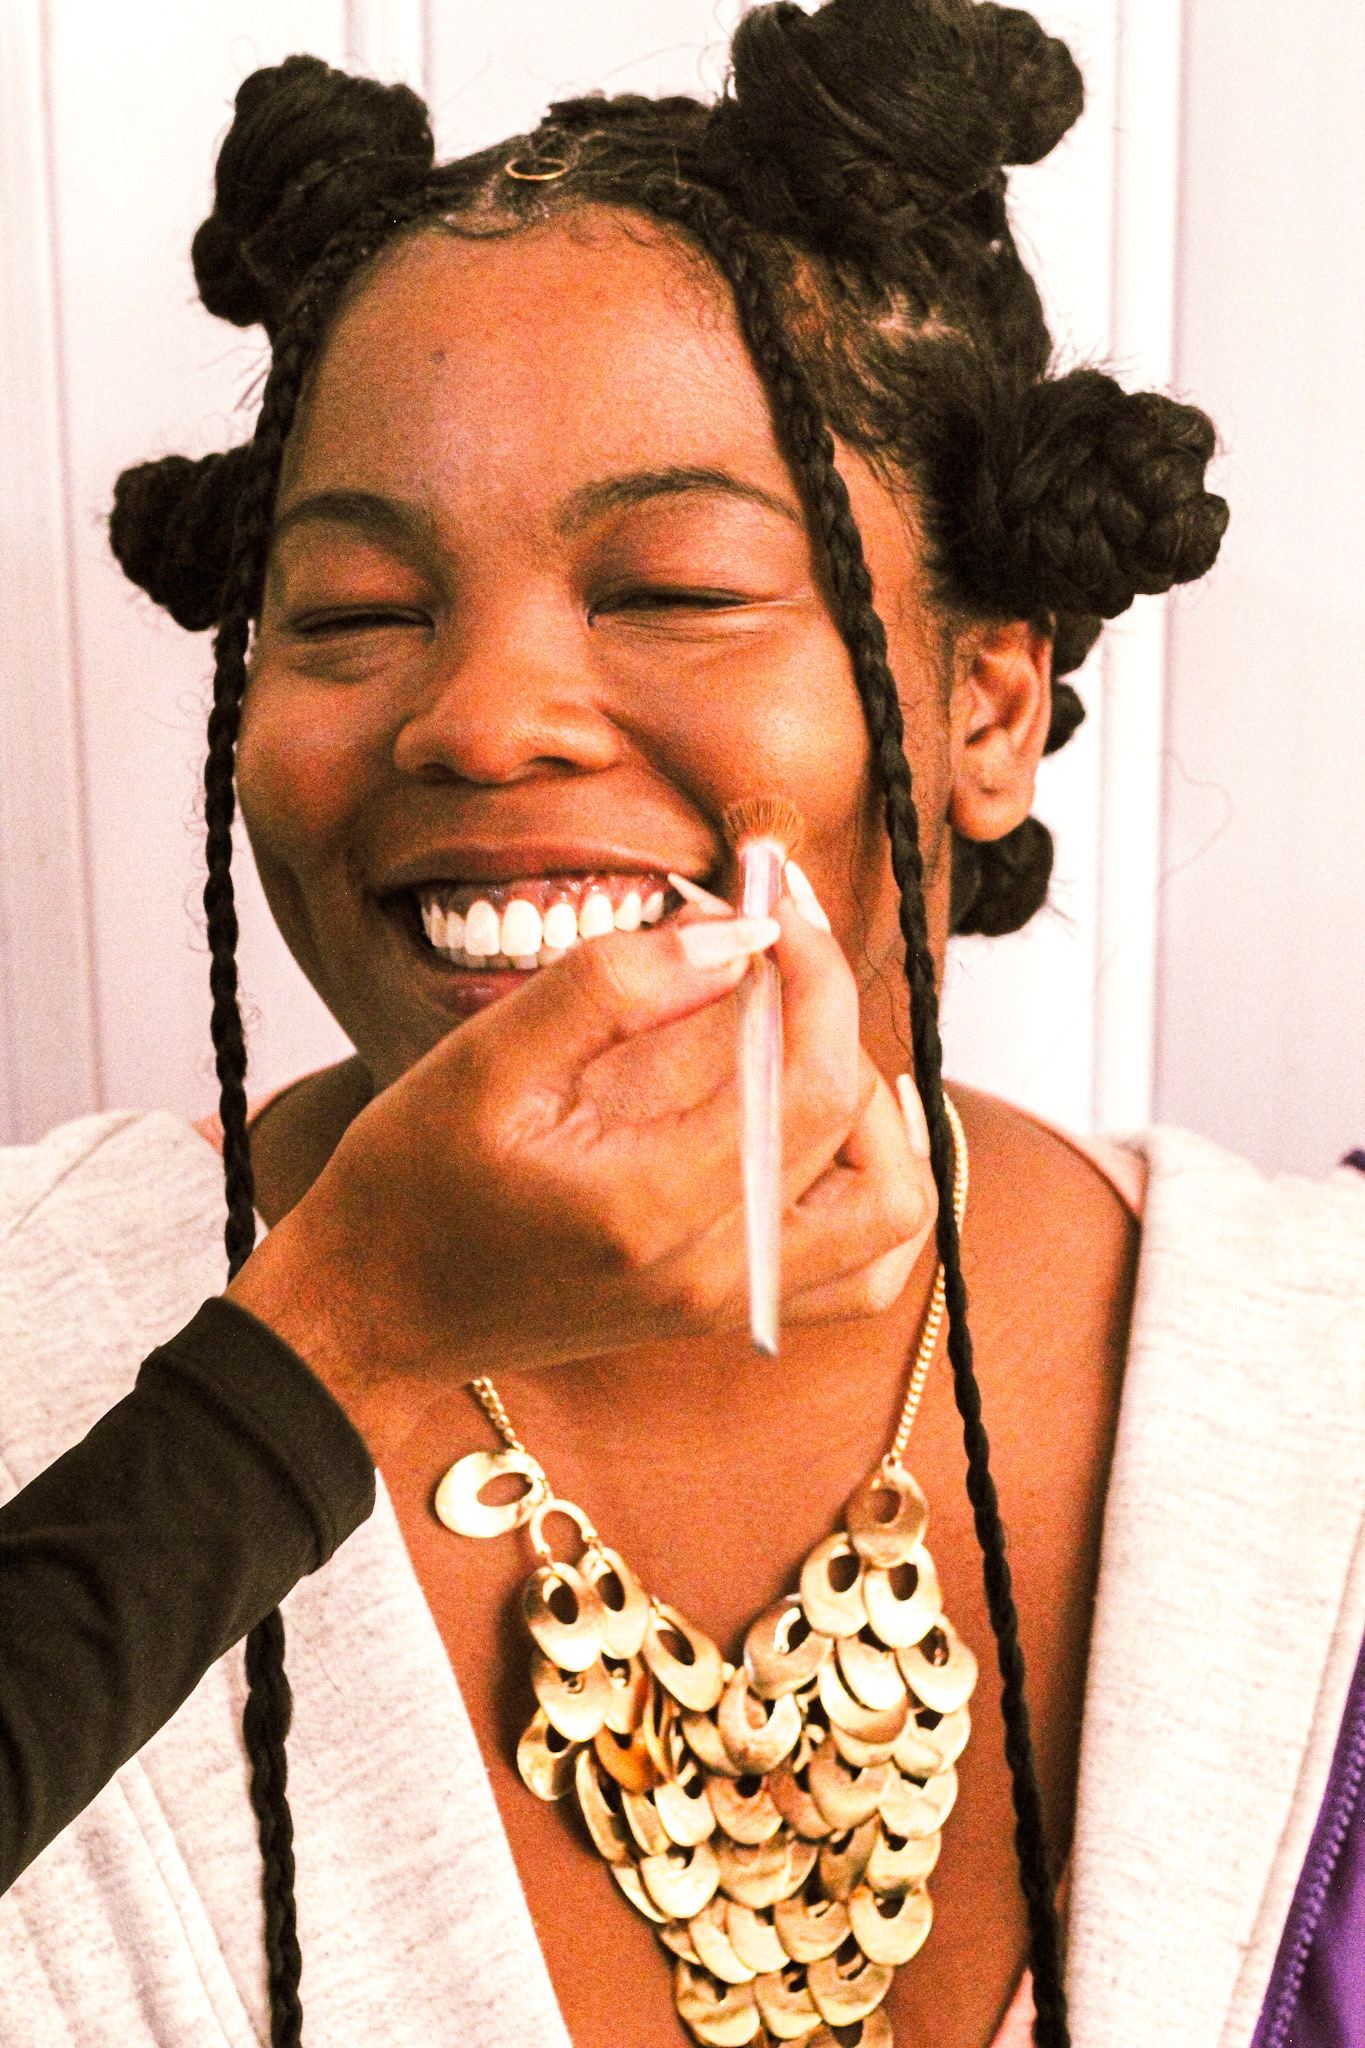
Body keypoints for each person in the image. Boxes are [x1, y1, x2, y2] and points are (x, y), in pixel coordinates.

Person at [1, 3, 1362, 2045]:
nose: (478, 721)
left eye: (673, 590)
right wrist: (328, 1344)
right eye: (351, 614)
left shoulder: (1327, 1382)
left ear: (986, 709)